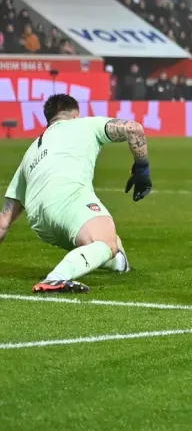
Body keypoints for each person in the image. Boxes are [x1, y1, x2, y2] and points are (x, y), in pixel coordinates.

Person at [0, 94, 151, 293]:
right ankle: (55, 279)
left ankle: (121, 264)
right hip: (67, 198)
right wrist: (142, 169)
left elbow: (4, 221)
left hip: (40, 221)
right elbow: (133, 128)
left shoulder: (32, 151)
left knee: (112, 245)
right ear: (75, 115)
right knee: (104, 242)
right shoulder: (83, 125)